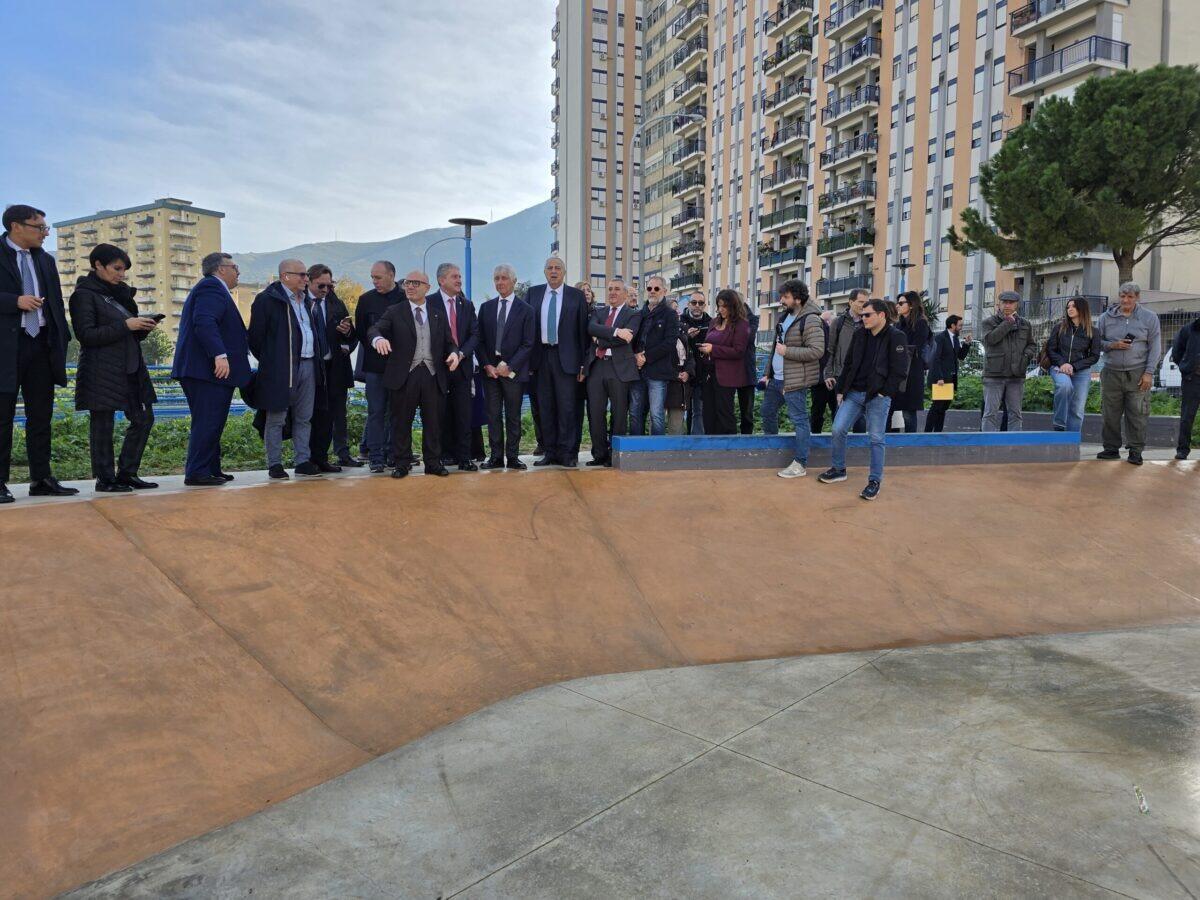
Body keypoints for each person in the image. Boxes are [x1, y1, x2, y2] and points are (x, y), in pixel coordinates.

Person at [0, 204, 77, 502]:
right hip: (7, 347)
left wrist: (62, 339)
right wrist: (13, 301)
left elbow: (55, 301)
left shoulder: (45, 259)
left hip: (41, 345)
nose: (45, 233)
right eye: (39, 227)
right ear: (16, 226)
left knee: (41, 416)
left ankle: (41, 478)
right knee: (2, 417)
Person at [68, 243, 159, 492]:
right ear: (98, 265)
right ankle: (105, 478)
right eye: (116, 268)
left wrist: (142, 328)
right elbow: (86, 335)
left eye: (124, 270)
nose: (121, 274)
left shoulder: (123, 295)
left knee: (143, 419)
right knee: (102, 424)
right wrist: (126, 326)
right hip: (101, 369)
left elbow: (128, 332)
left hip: (131, 366)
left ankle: (128, 473)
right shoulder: (83, 295)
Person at [367, 270, 464, 478]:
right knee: (401, 422)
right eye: (407, 283)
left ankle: (433, 463)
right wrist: (378, 340)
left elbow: (450, 343)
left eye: (415, 283)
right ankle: (401, 463)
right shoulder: (395, 311)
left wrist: (455, 355)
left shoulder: (437, 313)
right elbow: (374, 329)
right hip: (405, 376)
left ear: (427, 288)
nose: (410, 286)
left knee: (434, 422)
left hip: (432, 375)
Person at [172, 252, 251, 486]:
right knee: (207, 420)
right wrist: (220, 355)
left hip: (207, 371)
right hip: (206, 371)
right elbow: (204, 321)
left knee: (213, 420)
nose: (238, 272)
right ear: (221, 269)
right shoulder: (211, 288)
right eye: (235, 267)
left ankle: (211, 468)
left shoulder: (213, 289)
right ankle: (197, 471)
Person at [819, 299, 910, 501]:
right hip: (853, 393)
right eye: (862, 315)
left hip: (877, 396)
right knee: (838, 429)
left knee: (876, 438)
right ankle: (839, 468)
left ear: (881, 315)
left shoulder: (896, 337)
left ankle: (874, 481)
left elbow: (900, 371)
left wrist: (884, 392)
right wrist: (841, 390)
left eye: (867, 315)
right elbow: (849, 363)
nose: (863, 318)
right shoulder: (860, 334)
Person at [248, 259, 325, 479]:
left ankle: (302, 460)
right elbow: (255, 338)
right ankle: (274, 464)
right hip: (280, 368)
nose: (305, 279)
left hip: (308, 364)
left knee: (304, 417)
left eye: (306, 275)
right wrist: (272, 361)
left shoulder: (307, 301)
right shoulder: (267, 300)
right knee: (276, 416)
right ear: (285, 276)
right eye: (301, 275)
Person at [758, 279, 825, 478]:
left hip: (794, 380)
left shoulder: (811, 319)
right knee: (767, 412)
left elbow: (817, 350)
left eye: (786, 297)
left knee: (799, 421)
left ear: (798, 298)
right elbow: (774, 347)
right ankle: (773, 450)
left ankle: (800, 463)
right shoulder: (783, 317)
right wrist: (767, 373)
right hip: (776, 379)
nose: (782, 300)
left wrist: (788, 351)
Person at [527, 257, 589, 467]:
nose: (553, 271)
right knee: (545, 407)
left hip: (568, 360)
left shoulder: (576, 296)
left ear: (564, 272)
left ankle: (568, 453)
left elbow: (583, 332)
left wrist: (583, 364)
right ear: (544, 272)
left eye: (557, 268)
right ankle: (550, 451)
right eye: (549, 268)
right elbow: (527, 330)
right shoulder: (533, 294)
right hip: (541, 358)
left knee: (568, 408)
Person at [1095, 282, 1161, 465]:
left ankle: (1136, 451)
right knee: (1109, 414)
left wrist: (1149, 373)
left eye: (1130, 297)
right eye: (1122, 296)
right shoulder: (1104, 318)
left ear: (1137, 298)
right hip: (1111, 373)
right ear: (1119, 296)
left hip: (1138, 373)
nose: (1125, 300)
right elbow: (1095, 342)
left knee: (1138, 414)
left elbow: (1155, 347)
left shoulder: (1149, 318)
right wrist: (1112, 345)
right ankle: (1110, 449)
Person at [476, 264, 534, 470]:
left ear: (513, 281)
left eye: (503, 278)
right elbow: (479, 340)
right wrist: (486, 365)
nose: (500, 282)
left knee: (513, 416)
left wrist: (510, 366)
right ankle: (496, 457)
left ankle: (513, 457)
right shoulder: (486, 308)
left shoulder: (526, 310)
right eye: (496, 278)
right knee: (492, 416)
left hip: (513, 374)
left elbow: (528, 343)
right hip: (490, 373)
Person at [585, 279, 642, 466]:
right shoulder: (598, 312)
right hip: (597, 367)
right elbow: (591, 328)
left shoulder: (633, 314)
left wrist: (600, 340)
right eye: (610, 289)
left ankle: (614, 455)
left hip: (619, 369)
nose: (612, 292)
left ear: (625, 294)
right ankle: (599, 454)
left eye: (617, 289)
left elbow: (626, 340)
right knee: (595, 413)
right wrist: (617, 331)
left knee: (618, 414)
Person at [429, 262, 480, 471]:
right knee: (439, 413)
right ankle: (441, 455)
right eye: (454, 277)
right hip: (438, 368)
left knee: (463, 413)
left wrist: (460, 353)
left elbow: (475, 335)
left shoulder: (466, 304)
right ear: (442, 280)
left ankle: (464, 457)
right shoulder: (429, 302)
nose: (459, 280)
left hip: (462, 366)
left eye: (459, 277)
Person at [307, 264, 358, 471]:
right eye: (321, 285)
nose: (326, 290)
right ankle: (311, 457)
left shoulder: (335, 303)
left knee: (338, 412)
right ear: (309, 281)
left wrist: (346, 335)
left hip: (335, 366)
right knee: (313, 414)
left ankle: (341, 453)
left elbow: (352, 335)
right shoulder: (301, 303)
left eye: (330, 285)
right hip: (312, 367)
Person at [355, 261, 403, 472]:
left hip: (400, 367)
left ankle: (393, 453)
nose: (375, 281)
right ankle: (375, 456)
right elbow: (362, 332)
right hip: (374, 367)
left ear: (392, 275)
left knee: (397, 412)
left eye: (379, 277)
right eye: (372, 277)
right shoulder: (366, 300)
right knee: (376, 412)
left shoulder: (405, 298)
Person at [980, 290, 1037, 432]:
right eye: (1004, 302)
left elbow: (1032, 345)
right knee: (990, 413)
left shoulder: (1025, 324)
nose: (1007, 305)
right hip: (994, 374)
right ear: (999, 304)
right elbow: (990, 340)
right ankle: (988, 445)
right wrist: (1008, 323)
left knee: (1015, 414)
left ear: (1016, 304)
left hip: (1016, 375)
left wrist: (1025, 358)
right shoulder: (989, 322)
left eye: (1010, 302)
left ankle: (1014, 446)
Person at [697, 289, 752, 435]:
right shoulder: (714, 321)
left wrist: (713, 349)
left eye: (724, 306)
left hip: (727, 376)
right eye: (719, 305)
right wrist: (704, 348)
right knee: (708, 412)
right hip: (709, 372)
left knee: (724, 412)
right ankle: (710, 446)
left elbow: (739, 351)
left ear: (733, 306)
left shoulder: (742, 324)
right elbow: (709, 341)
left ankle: (729, 448)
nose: (720, 309)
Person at [633, 275, 680, 436]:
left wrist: (646, 357)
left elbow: (669, 343)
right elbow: (633, 340)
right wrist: (635, 357)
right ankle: (635, 452)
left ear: (664, 291)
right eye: (649, 288)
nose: (652, 291)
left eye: (656, 288)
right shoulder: (640, 314)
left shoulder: (670, 314)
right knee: (635, 413)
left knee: (656, 415)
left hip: (658, 372)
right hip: (637, 371)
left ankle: (657, 453)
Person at [1046, 297, 1101, 433]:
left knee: (1077, 409)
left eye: (1074, 306)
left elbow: (1094, 356)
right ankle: (1059, 425)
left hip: (1081, 372)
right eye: (1068, 307)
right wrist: (1062, 363)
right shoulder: (1059, 328)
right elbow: (1050, 349)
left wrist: (1074, 367)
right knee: (1064, 386)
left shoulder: (1093, 332)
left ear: (1082, 309)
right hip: (1059, 368)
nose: (1070, 309)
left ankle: (1072, 442)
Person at [825, 288, 868, 435]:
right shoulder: (839, 322)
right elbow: (830, 350)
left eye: (866, 302)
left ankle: (859, 450)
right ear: (851, 302)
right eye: (860, 302)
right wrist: (828, 373)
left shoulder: (868, 322)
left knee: (861, 416)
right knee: (840, 414)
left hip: (862, 376)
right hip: (841, 375)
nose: (864, 305)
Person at [890, 291, 931, 433]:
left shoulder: (921, 323)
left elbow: (916, 347)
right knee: (894, 410)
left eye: (901, 303)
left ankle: (909, 443)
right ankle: (893, 442)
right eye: (897, 303)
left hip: (912, 373)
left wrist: (897, 351)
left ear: (912, 305)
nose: (898, 306)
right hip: (898, 372)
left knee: (908, 412)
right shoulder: (898, 324)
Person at [925, 314, 971, 433]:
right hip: (941, 379)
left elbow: (960, 356)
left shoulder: (955, 338)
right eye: (960, 325)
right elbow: (936, 358)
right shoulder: (940, 338)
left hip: (950, 378)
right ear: (952, 325)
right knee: (937, 406)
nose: (961, 327)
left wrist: (966, 344)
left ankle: (938, 433)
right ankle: (927, 433)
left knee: (943, 407)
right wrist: (939, 377)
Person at [680, 291, 712, 434]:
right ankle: (682, 445)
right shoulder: (680, 321)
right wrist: (686, 336)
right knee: (680, 411)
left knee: (698, 411)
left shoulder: (712, 323)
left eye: (700, 303)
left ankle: (696, 445)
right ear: (688, 304)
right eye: (694, 303)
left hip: (702, 373)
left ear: (705, 305)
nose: (697, 306)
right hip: (683, 372)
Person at [1170, 312, 1200, 460]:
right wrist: (1186, 367)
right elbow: (1176, 352)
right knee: (1187, 416)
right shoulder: (1188, 330)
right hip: (1192, 379)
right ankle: (1183, 450)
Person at [809, 309, 838, 433]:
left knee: (836, 411)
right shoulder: (818, 336)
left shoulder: (837, 336)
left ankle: (836, 437)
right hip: (820, 379)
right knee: (817, 412)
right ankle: (815, 437)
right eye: (825, 321)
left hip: (832, 378)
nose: (827, 324)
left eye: (828, 321)